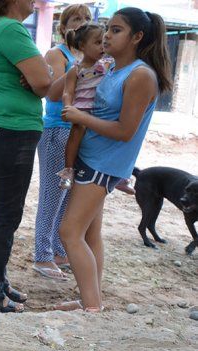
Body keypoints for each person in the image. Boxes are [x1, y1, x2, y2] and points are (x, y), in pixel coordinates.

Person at [56, 7, 172, 312]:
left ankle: (92, 308)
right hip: (91, 157)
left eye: (117, 30)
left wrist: (81, 116)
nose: (107, 34)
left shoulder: (140, 75)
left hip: (103, 164)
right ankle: (89, 300)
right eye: (107, 28)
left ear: (137, 37)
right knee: (90, 233)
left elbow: (124, 130)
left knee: (69, 232)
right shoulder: (111, 67)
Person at [0, 0, 52, 313]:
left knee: (6, 215)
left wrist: (39, 75)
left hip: (4, 130)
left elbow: (39, 80)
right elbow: (44, 83)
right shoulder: (10, 28)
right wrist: (43, 74)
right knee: (5, 217)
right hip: (10, 131)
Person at [32, 4, 91, 282]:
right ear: (63, 25)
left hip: (79, 131)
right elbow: (53, 95)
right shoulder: (58, 54)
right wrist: (77, 70)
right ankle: (42, 256)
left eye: (87, 18)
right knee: (52, 194)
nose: (81, 23)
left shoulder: (90, 55)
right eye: (76, 18)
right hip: (57, 130)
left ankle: (56, 250)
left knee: (67, 195)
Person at [57, 24, 109, 189]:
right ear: (82, 46)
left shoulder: (107, 65)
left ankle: (119, 174)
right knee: (75, 135)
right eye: (97, 42)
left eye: (104, 42)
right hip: (81, 110)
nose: (102, 46)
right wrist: (67, 107)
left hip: (101, 111)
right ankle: (68, 170)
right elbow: (68, 92)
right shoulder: (76, 70)